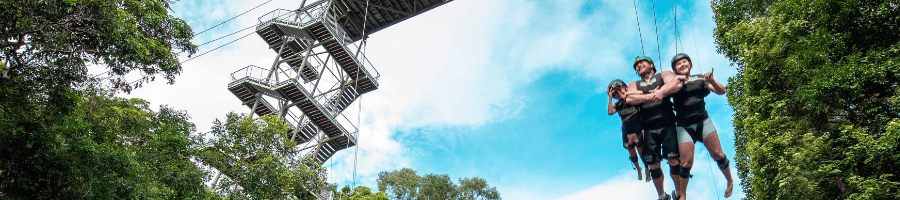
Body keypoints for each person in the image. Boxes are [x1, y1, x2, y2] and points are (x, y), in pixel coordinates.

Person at [669, 53, 733, 199]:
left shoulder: (700, 78)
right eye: (678, 64)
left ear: (690, 64)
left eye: (685, 62)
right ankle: (683, 194)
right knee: (685, 163)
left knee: (718, 155)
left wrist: (712, 81)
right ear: (674, 70)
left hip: (703, 122)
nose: (682, 65)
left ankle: (729, 180)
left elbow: (721, 91)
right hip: (684, 126)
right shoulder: (674, 82)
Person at [625, 56, 685, 200]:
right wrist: (654, 95)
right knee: (653, 164)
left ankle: (678, 193)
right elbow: (629, 98)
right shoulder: (635, 83)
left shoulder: (662, 75)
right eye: (636, 66)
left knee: (674, 160)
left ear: (651, 64)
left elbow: (676, 83)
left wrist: (661, 92)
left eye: (642, 63)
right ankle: (662, 196)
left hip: (668, 124)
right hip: (649, 129)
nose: (639, 66)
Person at [607, 79, 650, 181]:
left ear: (625, 87)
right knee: (631, 151)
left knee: (641, 150)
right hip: (627, 130)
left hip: (637, 128)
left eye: (620, 90)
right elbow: (610, 112)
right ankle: (638, 168)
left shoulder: (633, 99)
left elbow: (641, 95)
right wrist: (610, 97)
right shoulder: (618, 105)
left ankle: (647, 168)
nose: (618, 94)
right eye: (615, 93)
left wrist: (626, 93)